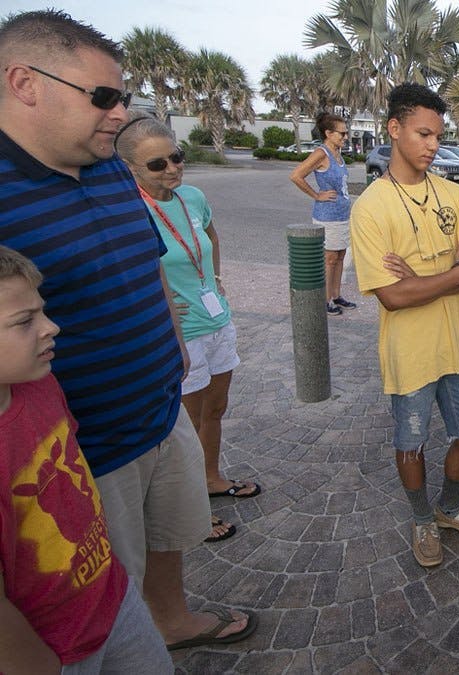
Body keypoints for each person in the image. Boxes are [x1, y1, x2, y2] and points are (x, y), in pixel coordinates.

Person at [0, 10, 255, 651]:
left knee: (169, 534)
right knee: (105, 592)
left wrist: (171, 362)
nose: (120, 114)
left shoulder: (112, 165)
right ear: (24, 83)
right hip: (82, 448)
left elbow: (151, 274)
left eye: (125, 98)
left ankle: (171, 618)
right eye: (103, 98)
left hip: (159, 408)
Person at [0, 246, 172, 674]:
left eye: (42, 312)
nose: (51, 327)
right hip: (53, 647)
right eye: (24, 322)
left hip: (111, 597)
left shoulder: (39, 385)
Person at [350, 82, 459, 568]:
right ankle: (421, 519)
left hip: (457, 345)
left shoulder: (454, 194)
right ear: (394, 129)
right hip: (409, 351)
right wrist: (457, 275)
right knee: (410, 443)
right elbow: (393, 297)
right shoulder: (371, 206)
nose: (433, 145)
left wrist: (431, 279)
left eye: (438, 135)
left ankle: (449, 508)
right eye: (423, 134)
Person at [115, 113, 261, 543]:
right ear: (132, 171)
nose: (173, 168)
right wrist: (158, 304)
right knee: (187, 422)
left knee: (216, 409)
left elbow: (211, 236)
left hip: (216, 318)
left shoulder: (192, 197)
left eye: (176, 157)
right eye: (158, 164)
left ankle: (212, 478)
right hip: (182, 332)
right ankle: (192, 510)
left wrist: (213, 280)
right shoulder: (131, 209)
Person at [290, 111, 356, 316]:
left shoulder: (338, 154)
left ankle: (336, 295)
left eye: (346, 134)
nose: (345, 137)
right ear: (328, 133)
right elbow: (296, 175)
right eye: (341, 134)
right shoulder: (321, 153)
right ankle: (325, 299)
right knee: (330, 258)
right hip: (327, 216)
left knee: (340, 256)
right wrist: (316, 195)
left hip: (342, 214)